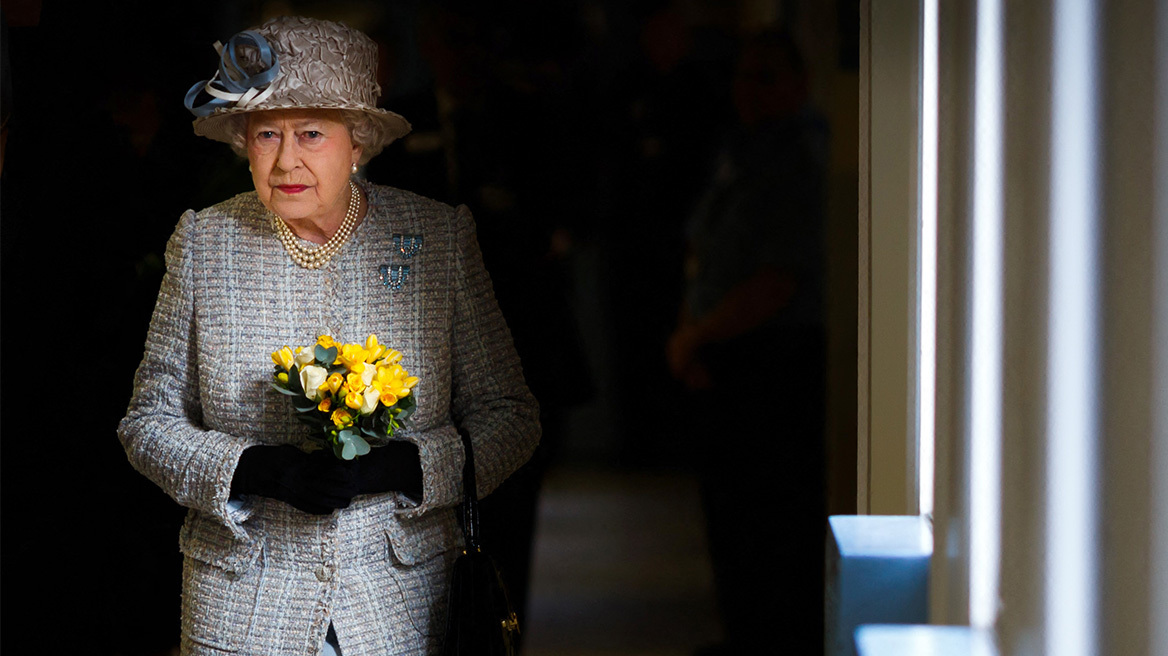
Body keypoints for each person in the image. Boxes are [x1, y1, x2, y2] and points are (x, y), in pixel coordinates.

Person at [118, 16, 540, 656]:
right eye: (267, 135)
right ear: (244, 143)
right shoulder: (206, 242)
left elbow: (510, 418)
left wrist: (405, 466)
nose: (286, 160)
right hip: (243, 610)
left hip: (400, 609)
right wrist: (251, 469)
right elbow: (146, 422)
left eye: (311, 133)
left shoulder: (437, 238)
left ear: (358, 143)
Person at [666, 29, 828, 655]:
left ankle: (768, 640)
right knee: (729, 518)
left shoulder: (797, 158)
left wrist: (698, 335)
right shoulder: (743, 150)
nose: (749, 91)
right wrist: (691, 335)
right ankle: (743, 635)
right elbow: (704, 254)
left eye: (766, 77)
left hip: (772, 361)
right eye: (743, 77)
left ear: (798, 85)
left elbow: (777, 280)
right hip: (724, 355)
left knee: (769, 520)